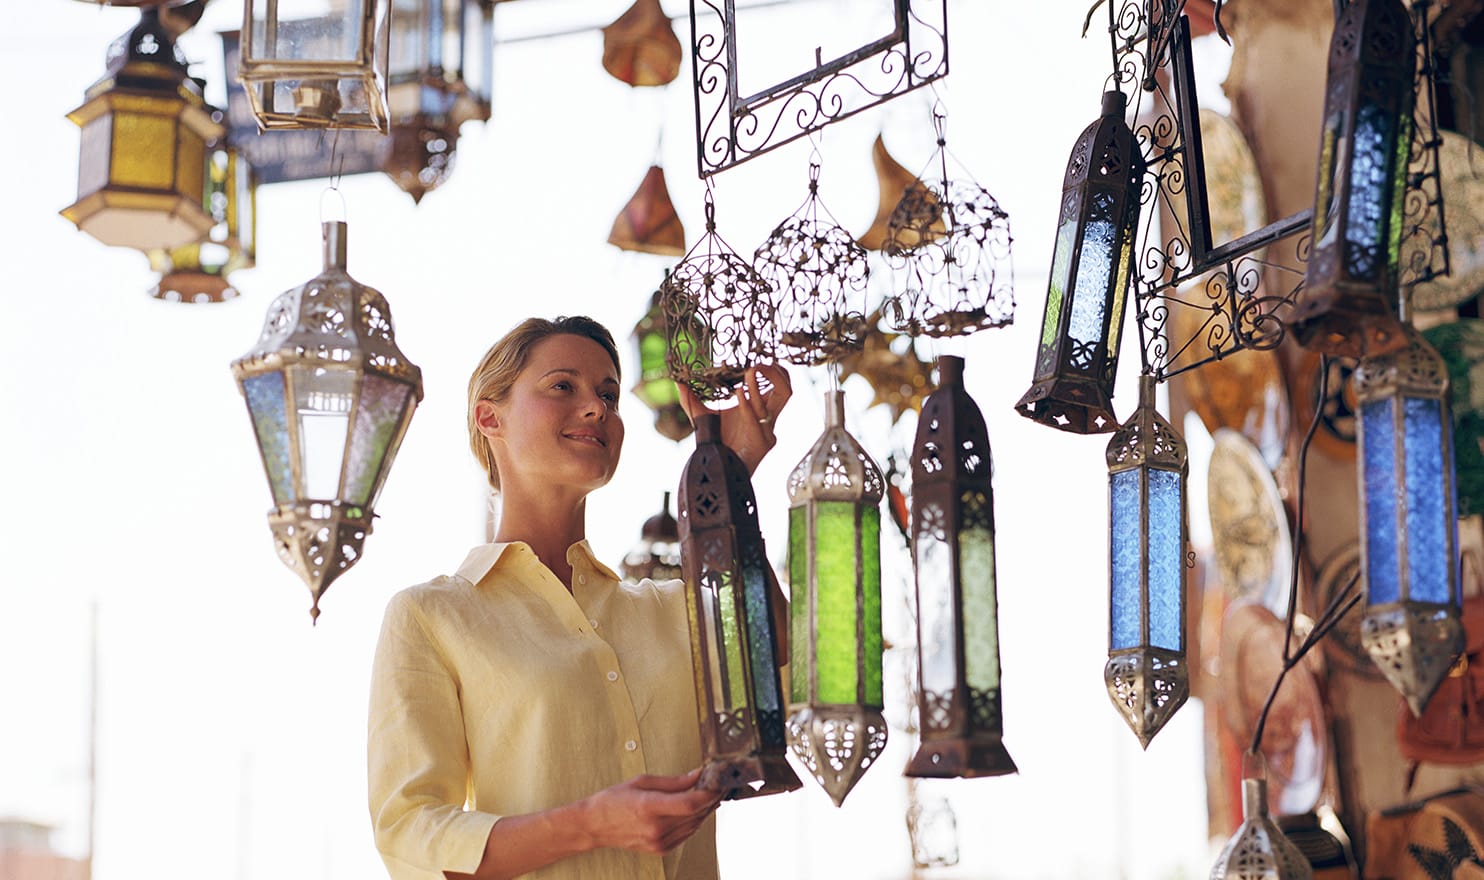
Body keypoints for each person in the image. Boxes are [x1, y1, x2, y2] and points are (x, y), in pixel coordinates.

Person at [367, 315, 792, 880]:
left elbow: (781, 670)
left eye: (609, 395)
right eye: (563, 386)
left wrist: (731, 477)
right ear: (488, 416)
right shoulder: (433, 616)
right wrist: (592, 824)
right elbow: (411, 832)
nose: (597, 408)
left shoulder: (675, 609)